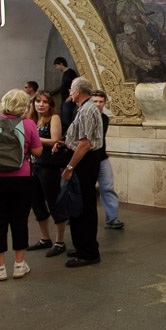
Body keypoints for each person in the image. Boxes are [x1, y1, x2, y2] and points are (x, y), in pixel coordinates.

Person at [0, 88, 43, 280]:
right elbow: (37, 152)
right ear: (25, 106)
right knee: (19, 220)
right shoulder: (28, 124)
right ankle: (19, 264)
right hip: (21, 178)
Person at [60, 76, 103, 268]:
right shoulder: (84, 109)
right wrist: (64, 143)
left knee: (84, 206)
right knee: (79, 204)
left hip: (85, 162)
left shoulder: (86, 111)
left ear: (78, 91)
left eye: (71, 88)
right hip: (83, 160)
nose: (69, 92)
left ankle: (89, 253)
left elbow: (85, 143)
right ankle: (82, 246)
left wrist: (70, 167)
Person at [25, 91, 69, 256]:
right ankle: (45, 238)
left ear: (50, 105)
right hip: (31, 165)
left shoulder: (53, 118)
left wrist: (33, 137)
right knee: (36, 202)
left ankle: (59, 241)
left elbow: (54, 141)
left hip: (48, 165)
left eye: (44, 102)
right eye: (38, 101)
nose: (40, 104)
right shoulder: (31, 120)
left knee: (53, 201)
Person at [91, 89, 124, 230]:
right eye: (95, 101)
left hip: (102, 157)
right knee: (83, 189)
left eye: (101, 102)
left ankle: (112, 219)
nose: (98, 104)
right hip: (88, 158)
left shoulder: (104, 118)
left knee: (108, 187)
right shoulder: (83, 116)